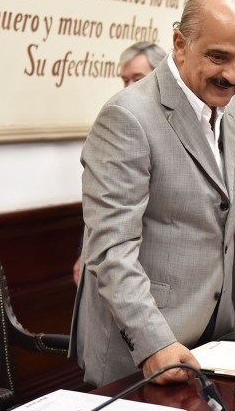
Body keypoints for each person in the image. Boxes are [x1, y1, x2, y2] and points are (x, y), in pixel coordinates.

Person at [70, 0, 235, 387]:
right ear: (180, 44)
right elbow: (111, 248)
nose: (233, 75)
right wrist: (153, 342)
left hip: (217, 337)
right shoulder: (127, 117)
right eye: (218, 57)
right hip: (143, 350)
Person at [72, 41, 169, 287]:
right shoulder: (118, 118)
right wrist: (84, 252)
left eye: (137, 78)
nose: (128, 87)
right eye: (125, 80)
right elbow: (104, 201)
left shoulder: (177, 124)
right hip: (121, 270)